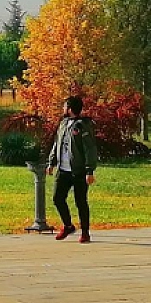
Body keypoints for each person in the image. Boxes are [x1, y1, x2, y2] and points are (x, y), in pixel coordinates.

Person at [46, 95, 98, 243]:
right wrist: (51, 163)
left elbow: (90, 148)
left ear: (69, 108)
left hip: (79, 171)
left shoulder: (82, 125)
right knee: (57, 198)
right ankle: (68, 226)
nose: (63, 108)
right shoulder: (63, 123)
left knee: (80, 202)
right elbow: (57, 143)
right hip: (63, 170)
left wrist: (89, 171)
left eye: (64, 106)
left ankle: (85, 232)